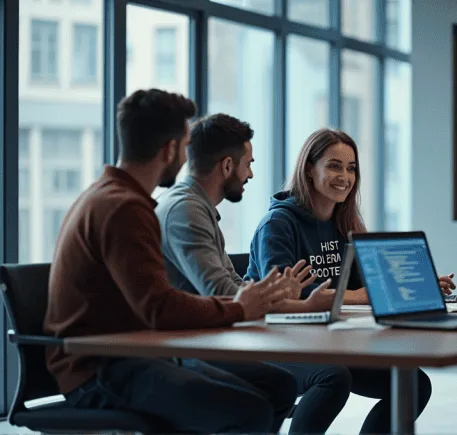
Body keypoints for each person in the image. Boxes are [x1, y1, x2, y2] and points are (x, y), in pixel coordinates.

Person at [43, 89, 299, 434]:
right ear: (170, 149)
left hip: (134, 356)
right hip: (100, 371)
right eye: (185, 145)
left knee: (278, 386)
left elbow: (154, 303)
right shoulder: (124, 208)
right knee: (250, 411)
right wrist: (239, 308)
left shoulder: (111, 196)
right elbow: (159, 309)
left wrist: (241, 305)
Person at [247, 128, 452, 434]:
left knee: (413, 383)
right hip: (278, 345)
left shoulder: (345, 223)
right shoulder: (278, 224)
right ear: (309, 169)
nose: (345, 177)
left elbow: (369, 285)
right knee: (333, 377)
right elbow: (281, 296)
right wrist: (358, 295)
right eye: (334, 166)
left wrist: (417, 285)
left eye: (351, 168)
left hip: (328, 343)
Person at [156, 113, 347, 434]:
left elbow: (235, 287)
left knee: (296, 381)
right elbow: (224, 294)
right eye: (248, 164)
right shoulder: (185, 210)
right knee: (320, 377)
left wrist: (287, 299)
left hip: (214, 337)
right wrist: (295, 303)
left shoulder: (198, 208)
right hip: (191, 349)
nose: (251, 174)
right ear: (227, 166)